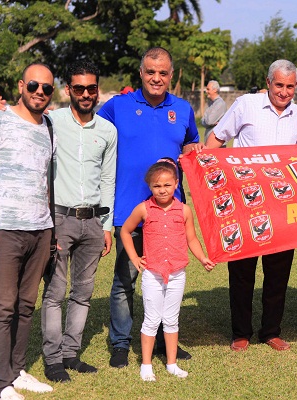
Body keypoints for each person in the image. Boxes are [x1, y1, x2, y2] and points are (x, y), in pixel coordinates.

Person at [185, 59, 297, 352]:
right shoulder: (246, 105)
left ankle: (271, 331)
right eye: (279, 85)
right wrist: (201, 158)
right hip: (245, 203)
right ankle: (241, 332)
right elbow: (217, 137)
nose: (284, 92)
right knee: (242, 271)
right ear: (268, 82)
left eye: (290, 86)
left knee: (278, 273)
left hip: (282, 205)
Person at [97, 47, 200, 368]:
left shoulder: (183, 109)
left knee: (166, 280)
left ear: (171, 75)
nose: (157, 78)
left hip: (170, 214)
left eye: (163, 72)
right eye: (151, 71)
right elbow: (90, 132)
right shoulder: (117, 106)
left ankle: (162, 341)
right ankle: (120, 342)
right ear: (141, 73)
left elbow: (193, 146)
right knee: (125, 280)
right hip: (129, 210)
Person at [0, 63, 55, 400]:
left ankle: (18, 371)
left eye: (47, 88)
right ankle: (1, 384)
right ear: (21, 85)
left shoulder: (49, 125)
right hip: (2, 229)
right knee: (1, 307)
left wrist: (51, 228)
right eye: (34, 85)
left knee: (25, 305)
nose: (40, 92)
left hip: (40, 229)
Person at [39, 61, 117, 382]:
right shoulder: (51, 122)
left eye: (91, 88)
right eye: (79, 88)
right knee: (55, 292)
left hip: (94, 222)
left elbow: (108, 179)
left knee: (83, 292)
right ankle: (53, 359)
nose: (86, 94)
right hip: (59, 218)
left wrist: (107, 226)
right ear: (68, 90)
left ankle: (71, 354)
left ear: (97, 90)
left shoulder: (108, 131)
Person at [120, 158, 214, 381]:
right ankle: (146, 365)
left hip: (177, 274)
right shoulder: (143, 209)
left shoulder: (184, 211)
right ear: (150, 186)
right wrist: (134, 258)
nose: (162, 190)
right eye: (157, 186)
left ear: (176, 184)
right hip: (152, 274)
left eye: (167, 185)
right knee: (152, 320)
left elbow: (191, 238)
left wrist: (202, 258)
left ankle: (171, 364)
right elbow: (125, 231)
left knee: (171, 319)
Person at [200, 80, 227, 145]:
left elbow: (209, 121)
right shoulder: (211, 103)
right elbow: (202, 121)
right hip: (209, 143)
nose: (206, 91)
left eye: (208, 89)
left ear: (215, 90)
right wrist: (210, 122)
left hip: (217, 144)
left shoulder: (220, 104)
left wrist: (208, 122)